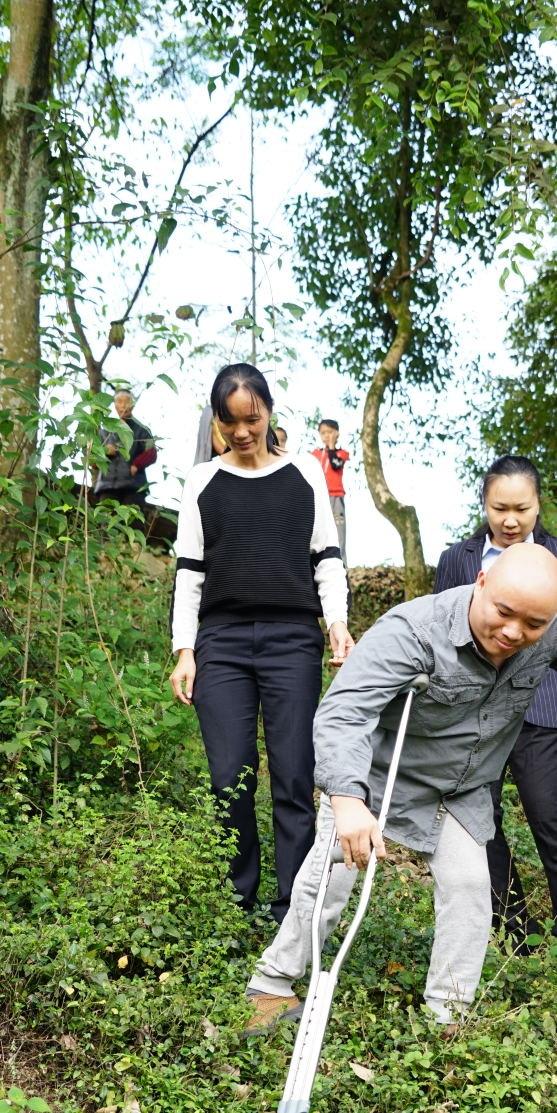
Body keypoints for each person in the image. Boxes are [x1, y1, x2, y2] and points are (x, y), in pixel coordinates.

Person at [245, 543, 557, 1035]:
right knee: (332, 875)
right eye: (503, 612)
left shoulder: (547, 624)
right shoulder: (412, 630)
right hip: (380, 778)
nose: (514, 632)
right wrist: (347, 800)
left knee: (471, 888)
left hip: (460, 789)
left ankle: (443, 1022)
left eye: (533, 625)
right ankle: (272, 983)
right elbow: (344, 711)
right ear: (480, 583)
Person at [169, 362, 354, 925]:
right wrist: (185, 649)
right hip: (221, 642)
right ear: (218, 423)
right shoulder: (203, 482)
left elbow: (326, 557)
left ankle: (291, 913)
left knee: (294, 776)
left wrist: (336, 622)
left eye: (252, 419)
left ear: (269, 411)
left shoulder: (303, 475)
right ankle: (238, 902)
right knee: (230, 776)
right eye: (231, 423)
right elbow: (190, 572)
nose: (243, 432)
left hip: (292, 641)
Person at [435, 456, 557, 948]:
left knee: (550, 819)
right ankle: (514, 933)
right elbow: (442, 634)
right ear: (484, 504)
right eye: (499, 508)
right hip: (473, 715)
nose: (510, 521)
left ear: (538, 506)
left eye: (522, 509)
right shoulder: (457, 560)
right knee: (477, 823)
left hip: (542, 709)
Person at [97, 390, 157, 507]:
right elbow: (93, 463)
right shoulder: (105, 431)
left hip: (133, 484)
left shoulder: (141, 430)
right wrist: (103, 452)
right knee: (106, 521)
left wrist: (136, 465)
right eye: (119, 402)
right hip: (107, 484)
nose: (123, 405)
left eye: (127, 402)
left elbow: (151, 452)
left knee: (134, 522)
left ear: (133, 405)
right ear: (114, 405)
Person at [311, 418, 349, 563]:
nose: (326, 436)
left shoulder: (342, 454)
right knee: (318, 533)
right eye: (323, 433)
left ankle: (342, 565)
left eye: (330, 432)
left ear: (337, 433)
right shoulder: (314, 454)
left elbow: (335, 465)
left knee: (339, 533)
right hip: (319, 498)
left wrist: (332, 447)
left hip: (336, 497)